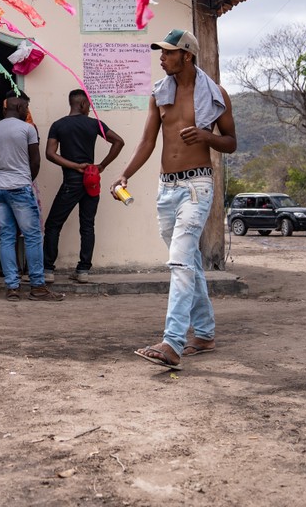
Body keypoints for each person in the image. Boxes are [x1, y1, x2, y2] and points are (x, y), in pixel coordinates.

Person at [111, 29, 236, 371]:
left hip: (197, 186)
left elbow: (231, 142)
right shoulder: (159, 94)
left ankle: (172, 342)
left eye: (167, 53)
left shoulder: (215, 94)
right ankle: (206, 334)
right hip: (167, 189)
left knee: (180, 263)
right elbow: (147, 142)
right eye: (161, 53)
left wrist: (206, 135)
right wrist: (125, 174)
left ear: (187, 56)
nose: (161, 58)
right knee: (189, 263)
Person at [43, 89, 125, 283]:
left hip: (72, 180)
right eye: (88, 105)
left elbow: (50, 153)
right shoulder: (94, 124)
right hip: (92, 180)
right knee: (87, 225)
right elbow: (119, 141)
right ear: (81, 104)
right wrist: (102, 165)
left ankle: (47, 270)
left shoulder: (58, 125)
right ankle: (83, 271)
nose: (89, 109)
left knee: (53, 225)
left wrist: (73, 166)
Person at [0, 90, 62, 301]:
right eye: (26, 107)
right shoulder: (27, 129)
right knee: (33, 236)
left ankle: (12, 287)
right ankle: (38, 286)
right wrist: (26, 181)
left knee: (6, 238)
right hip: (20, 186)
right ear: (20, 108)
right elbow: (35, 161)